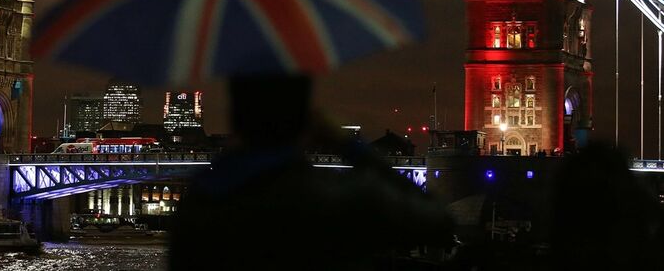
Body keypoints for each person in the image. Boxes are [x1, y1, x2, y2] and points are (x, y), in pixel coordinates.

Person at [169, 74, 454, 270]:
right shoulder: (337, 197)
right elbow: (437, 221)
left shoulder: (199, 205)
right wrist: (349, 147)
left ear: (236, 118)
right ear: (305, 121)